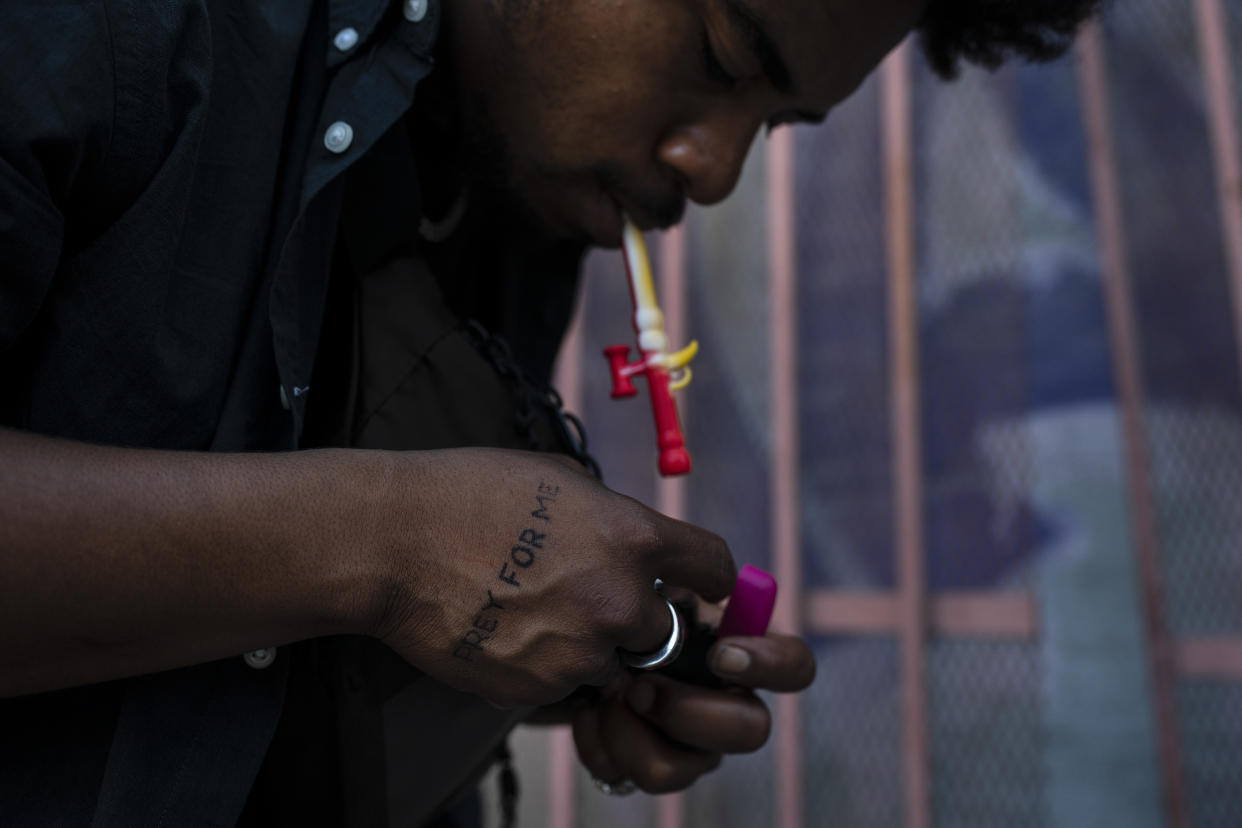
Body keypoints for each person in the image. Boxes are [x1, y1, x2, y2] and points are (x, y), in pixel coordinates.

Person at [0, 0, 1100, 825]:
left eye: (778, 123)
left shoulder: (515, 170)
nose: (713, 167)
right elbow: (354, 546)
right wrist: (383, 544)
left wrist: (548, 653)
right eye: (719, 58)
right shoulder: (115, 30)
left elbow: (237, 615)